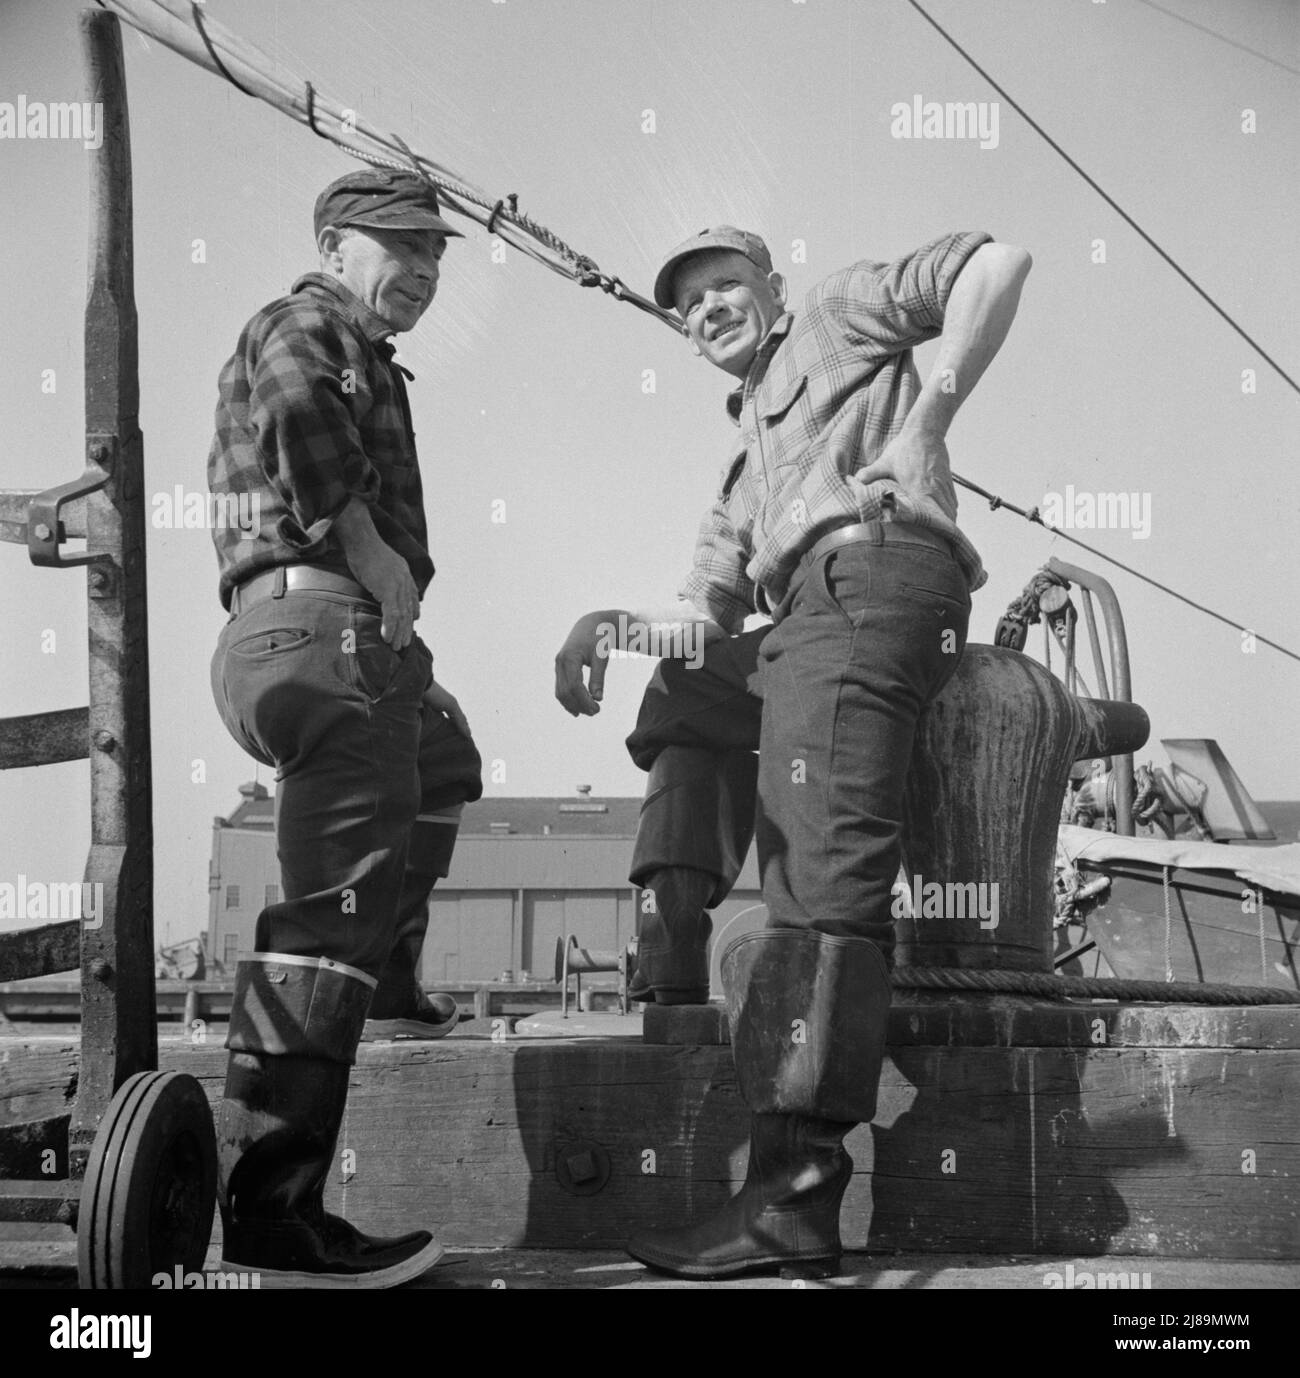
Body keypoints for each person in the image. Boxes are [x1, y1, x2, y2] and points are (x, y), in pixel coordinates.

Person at [555, 225, 1031, 1278]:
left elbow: (997, 262)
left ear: (772, 291)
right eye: (690, 303)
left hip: (873, 574)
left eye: (728, 285)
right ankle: (671, 947)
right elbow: (698, 615)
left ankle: (791, 1198)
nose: (711, 308)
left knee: (816, 879)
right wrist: (601, 623)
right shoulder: (742, 468)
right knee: (684, 681)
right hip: (799, 611)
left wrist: (927, 423)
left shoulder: (832, 312)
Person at [208, 168, 483, 1287]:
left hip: (312, 640)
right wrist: (367, 549)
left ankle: (397, 969)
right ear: (333, 242)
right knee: (327, 912)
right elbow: (295, 404)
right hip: (325, 623)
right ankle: (273, 1218)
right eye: (400, 247)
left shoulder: (365, 348)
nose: (421, 272)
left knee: (446, 754)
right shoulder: (305, 321)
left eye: (435, 256)